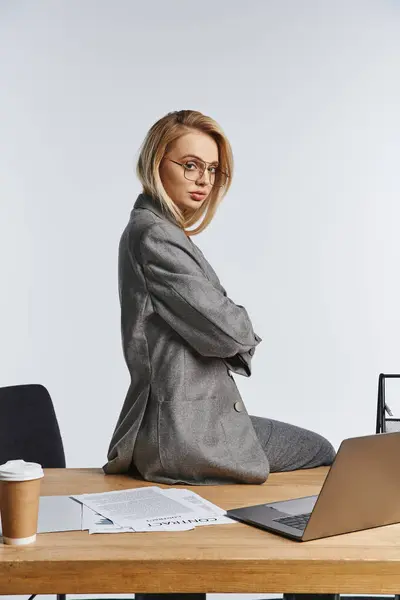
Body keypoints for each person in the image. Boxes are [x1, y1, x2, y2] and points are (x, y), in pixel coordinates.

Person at [103, 109, 337, 600]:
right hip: (186, 431)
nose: (202, 180)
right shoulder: (154, 235)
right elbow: (226, 330)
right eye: (190, 164)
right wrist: (242, 326)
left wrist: (232, 325)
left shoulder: (158, 230)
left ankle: (289, 563)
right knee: (321, 453)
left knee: (314, 452)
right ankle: (305, 578)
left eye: (211, 169)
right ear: (155, 163)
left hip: (185, 420)